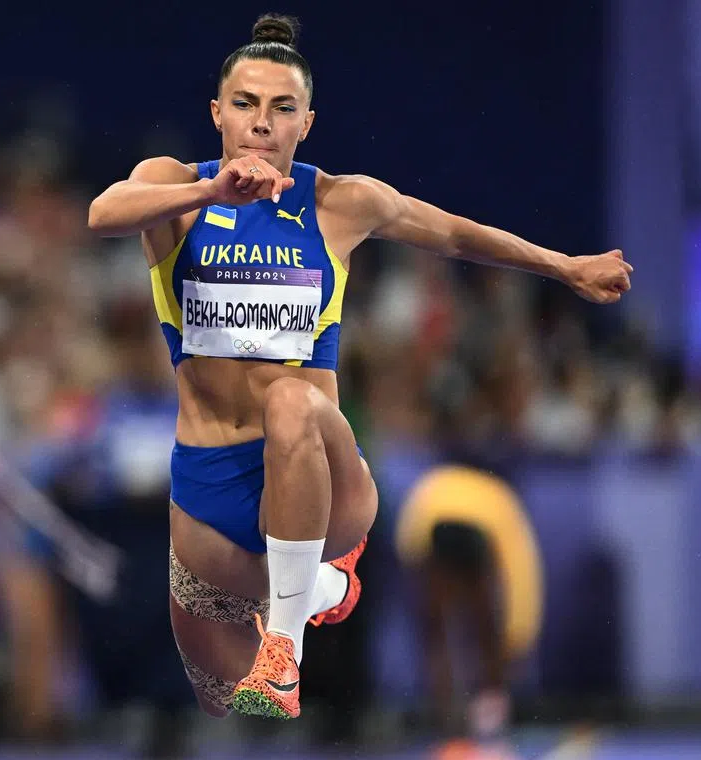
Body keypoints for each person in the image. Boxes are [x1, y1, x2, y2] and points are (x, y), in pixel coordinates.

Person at [87, 13, 632, 720]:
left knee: (289, 401)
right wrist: (212, 192)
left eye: (282, 108)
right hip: (209, 492)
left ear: (306, 122)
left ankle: (286, 643)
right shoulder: (173, 192)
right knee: (217, 699)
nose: (262, 123)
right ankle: (315, 590)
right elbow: (105, 211)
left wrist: (564, 266)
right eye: (246, 105)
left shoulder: (339, 202)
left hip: (324, 468)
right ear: (218, 113)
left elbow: (457, 236)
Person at [394, 464, 543, 743]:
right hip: (433, 524)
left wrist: (511, 640)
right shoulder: (499, 511)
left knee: (466, 631)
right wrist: (515, 641)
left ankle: (473, 715)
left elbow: (519, 607)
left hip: (435, 519)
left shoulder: (500, 520)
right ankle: (467, 717)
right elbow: (521, 593)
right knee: (461, 630)